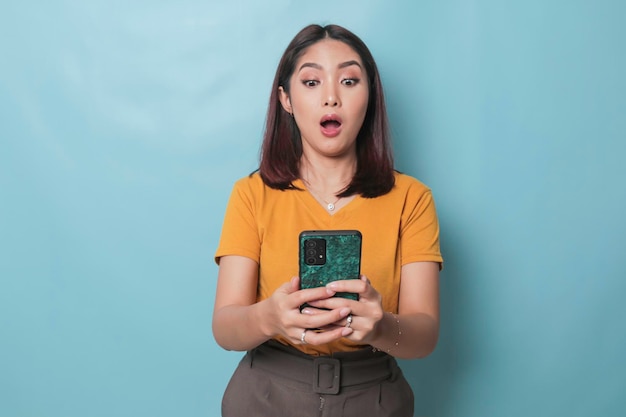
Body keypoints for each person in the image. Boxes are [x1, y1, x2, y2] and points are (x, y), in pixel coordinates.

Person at [212, 23, 443, 417]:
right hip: (266, 393)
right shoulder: (251, 194)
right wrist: (269, 316)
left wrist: (382, 325)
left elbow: (424, 335)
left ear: (370, 97)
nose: (331, 98)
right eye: (312, 82)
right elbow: (225, 326)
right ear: (286, 99)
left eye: (350, 80)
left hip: (374, 398)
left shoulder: (412, 199)